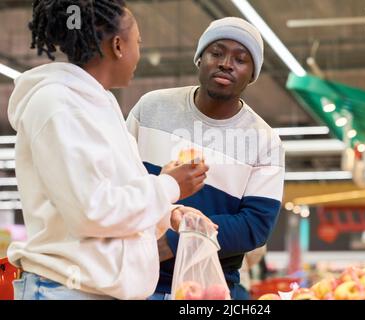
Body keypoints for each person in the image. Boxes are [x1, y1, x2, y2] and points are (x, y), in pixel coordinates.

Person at [7, 0, 212, 300]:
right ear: (118, 45)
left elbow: (114, 195)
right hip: (66, 292)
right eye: (137, 42)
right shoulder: (57, 105)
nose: (138, 52)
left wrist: (168, 214)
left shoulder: (100, 105)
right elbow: (92, 211)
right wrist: (168, 186)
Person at [127, 17, 285, 300]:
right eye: (216, 52)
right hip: (136, 281)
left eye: (241, 59)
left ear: (252, 75)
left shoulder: (265, 142)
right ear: (200, 59)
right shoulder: (151, 108)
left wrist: (176, 241)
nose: (226, 63)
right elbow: (121, 182)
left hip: (210, 289)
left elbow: (255, 226)